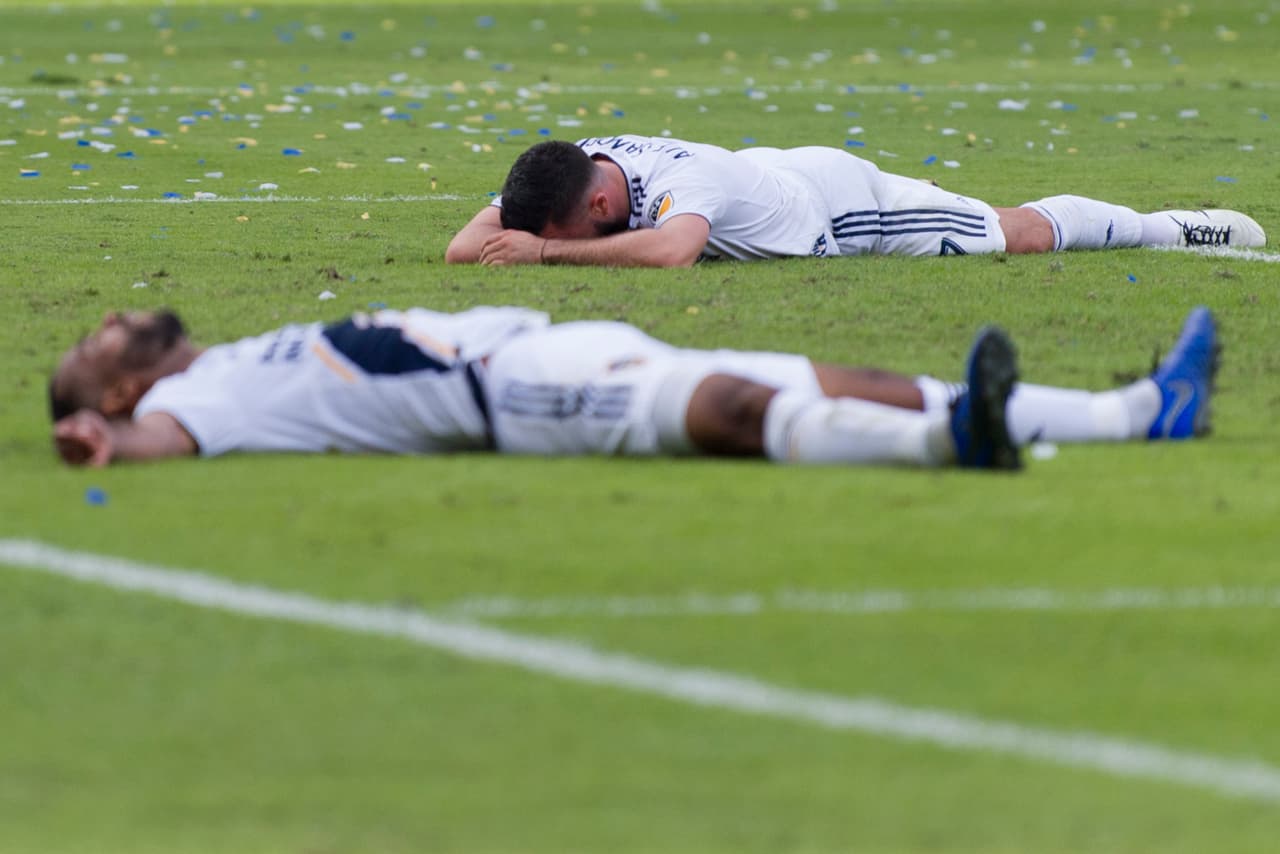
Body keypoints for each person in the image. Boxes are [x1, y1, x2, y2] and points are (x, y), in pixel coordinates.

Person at [49, 303, 1217, 473]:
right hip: (514, 396)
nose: (115, 322)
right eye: (105, 343)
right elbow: (158, 441)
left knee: (849, 376)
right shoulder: (214, 403)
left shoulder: (238, 353)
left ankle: (1137, 412)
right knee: (732, 415)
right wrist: (105, 442)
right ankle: (951, 445)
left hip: (571, 340)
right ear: (121, 388)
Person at [444, 135, 1266, 267]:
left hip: (844, 207)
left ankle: (1179, 229)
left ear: (592, 210)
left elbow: (674, 252)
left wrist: (544, 254)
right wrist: (525, 235)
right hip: (774, 175)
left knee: (1012, 236)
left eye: (567, 236)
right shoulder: (572, 165)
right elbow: (463, 245)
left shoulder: (679, 194)